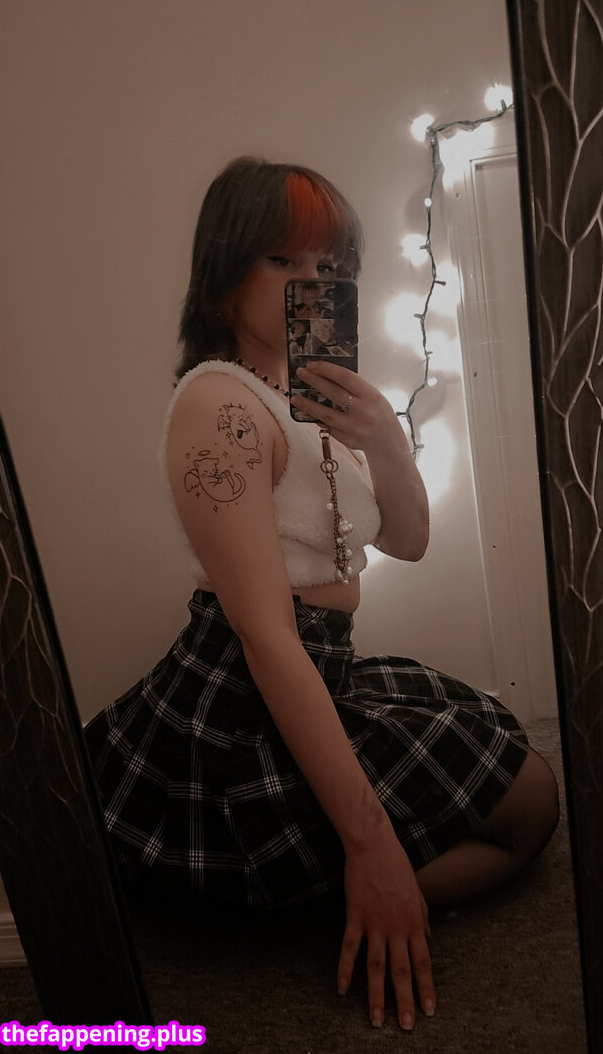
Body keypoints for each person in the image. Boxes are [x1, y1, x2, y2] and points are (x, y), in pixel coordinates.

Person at [84, 155, 559, 1032]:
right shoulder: (220, 404)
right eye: (283, 260)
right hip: (242, 692)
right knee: (526, 807)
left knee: (514, 769)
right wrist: (372, 848)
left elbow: (407, 541)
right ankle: (332, 902)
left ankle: (326, 892)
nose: (313, 283)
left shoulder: (315, 401)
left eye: (333, 266)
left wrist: (386, 438)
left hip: (326, 669)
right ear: (225, 273)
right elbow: (266, 636)